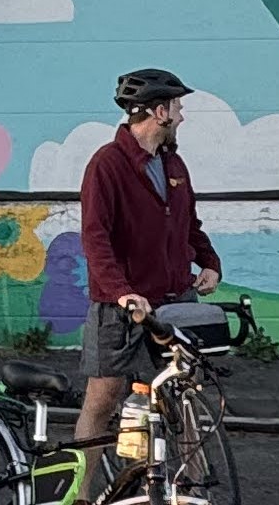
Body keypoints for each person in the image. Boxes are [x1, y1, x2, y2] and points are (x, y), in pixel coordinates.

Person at [72, 66, 225, 451]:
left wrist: (210, 262)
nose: (182, 116)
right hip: (120, 308)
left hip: (175, 302)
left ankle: (191, 489)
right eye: (177, 107)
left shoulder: (174, 164)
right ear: (159, 112)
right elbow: (95, 239)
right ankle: (84, 501)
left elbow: (189, 224)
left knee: (185, 395)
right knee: (103, 399)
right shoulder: (107, 165)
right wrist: (123, 293)